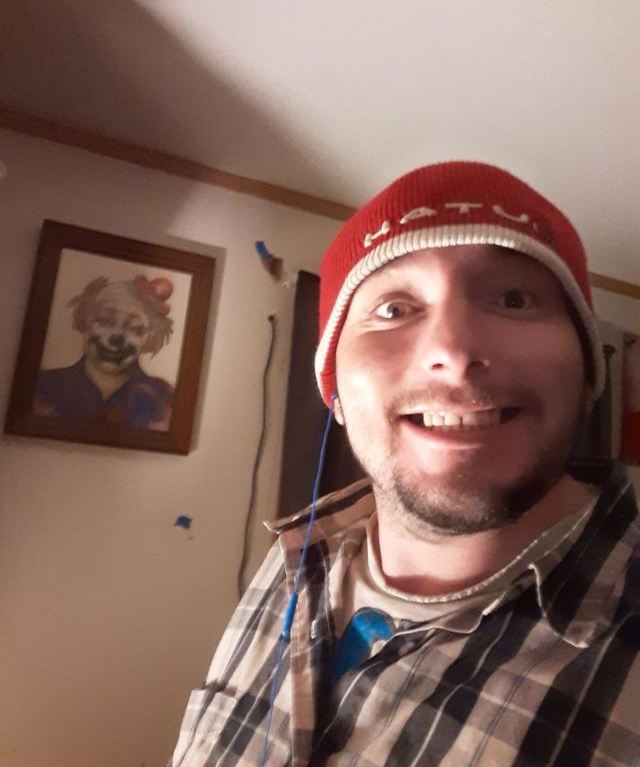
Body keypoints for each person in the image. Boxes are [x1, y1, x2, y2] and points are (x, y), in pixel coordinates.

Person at [171, 162, 639, 766]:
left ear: (587, 374)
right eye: (393, 309)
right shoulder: (294, 558)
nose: (454, 351)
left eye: (514, 299)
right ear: (336, 396)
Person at [35, 274, 174, 431]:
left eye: (134, 328)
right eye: (104, 321)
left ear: (148, 338)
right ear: (84, 322)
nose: (117, 338)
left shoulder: (163, 397)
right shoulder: (45, 387)